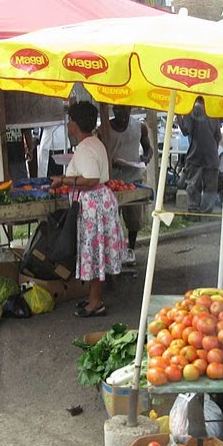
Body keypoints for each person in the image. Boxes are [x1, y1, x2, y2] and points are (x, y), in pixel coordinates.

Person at [50, 101, 126, 318]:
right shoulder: (96, 142)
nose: (68, 125)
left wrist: (64, 180)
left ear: (75, 123)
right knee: (96, 252)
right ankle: (93, 298)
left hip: (94, 205)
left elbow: (91, 179)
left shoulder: (85, 147)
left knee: (94, 253)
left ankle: (96, 303)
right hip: (100, 202)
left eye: (70, 121)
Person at [98, 104, 152, 265]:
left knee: (134, 218)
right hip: (112, 180)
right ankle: (114, 251)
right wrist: (109, 163)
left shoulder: (139, 128)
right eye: (118, 114)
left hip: (133, 179)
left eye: (125, 114)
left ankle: (131, 249)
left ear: (130, 111)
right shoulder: (104, 130)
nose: (122, 118)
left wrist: (146, 158)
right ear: (113, 111)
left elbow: (148, 149)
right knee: (113, 218)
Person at [177, 97, 221, 219]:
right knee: (210, 188)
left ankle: (193, 213)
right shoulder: (212, 112)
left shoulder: (192, 110)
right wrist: (213, 151)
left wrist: (178, 115)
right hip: (211, 156)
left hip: (196, 154)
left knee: (193, 185)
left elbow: (186, 131)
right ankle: (206, 214)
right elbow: (218, 136)